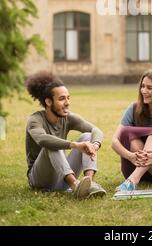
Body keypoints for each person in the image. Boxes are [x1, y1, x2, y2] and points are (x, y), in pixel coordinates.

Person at [25, 71, 106, 199]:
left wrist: (94, 146)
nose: (67, 102)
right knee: (51, 144)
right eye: (62, 98)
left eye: (68, 98)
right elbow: (42, 139)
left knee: (87, 136)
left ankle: (88, 184)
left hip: (61, 177)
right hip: (40, 180)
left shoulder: (68, 117)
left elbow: (96, 130)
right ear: (48, 102)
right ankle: (74, 185)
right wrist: (74, 145)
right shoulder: (35, 120)